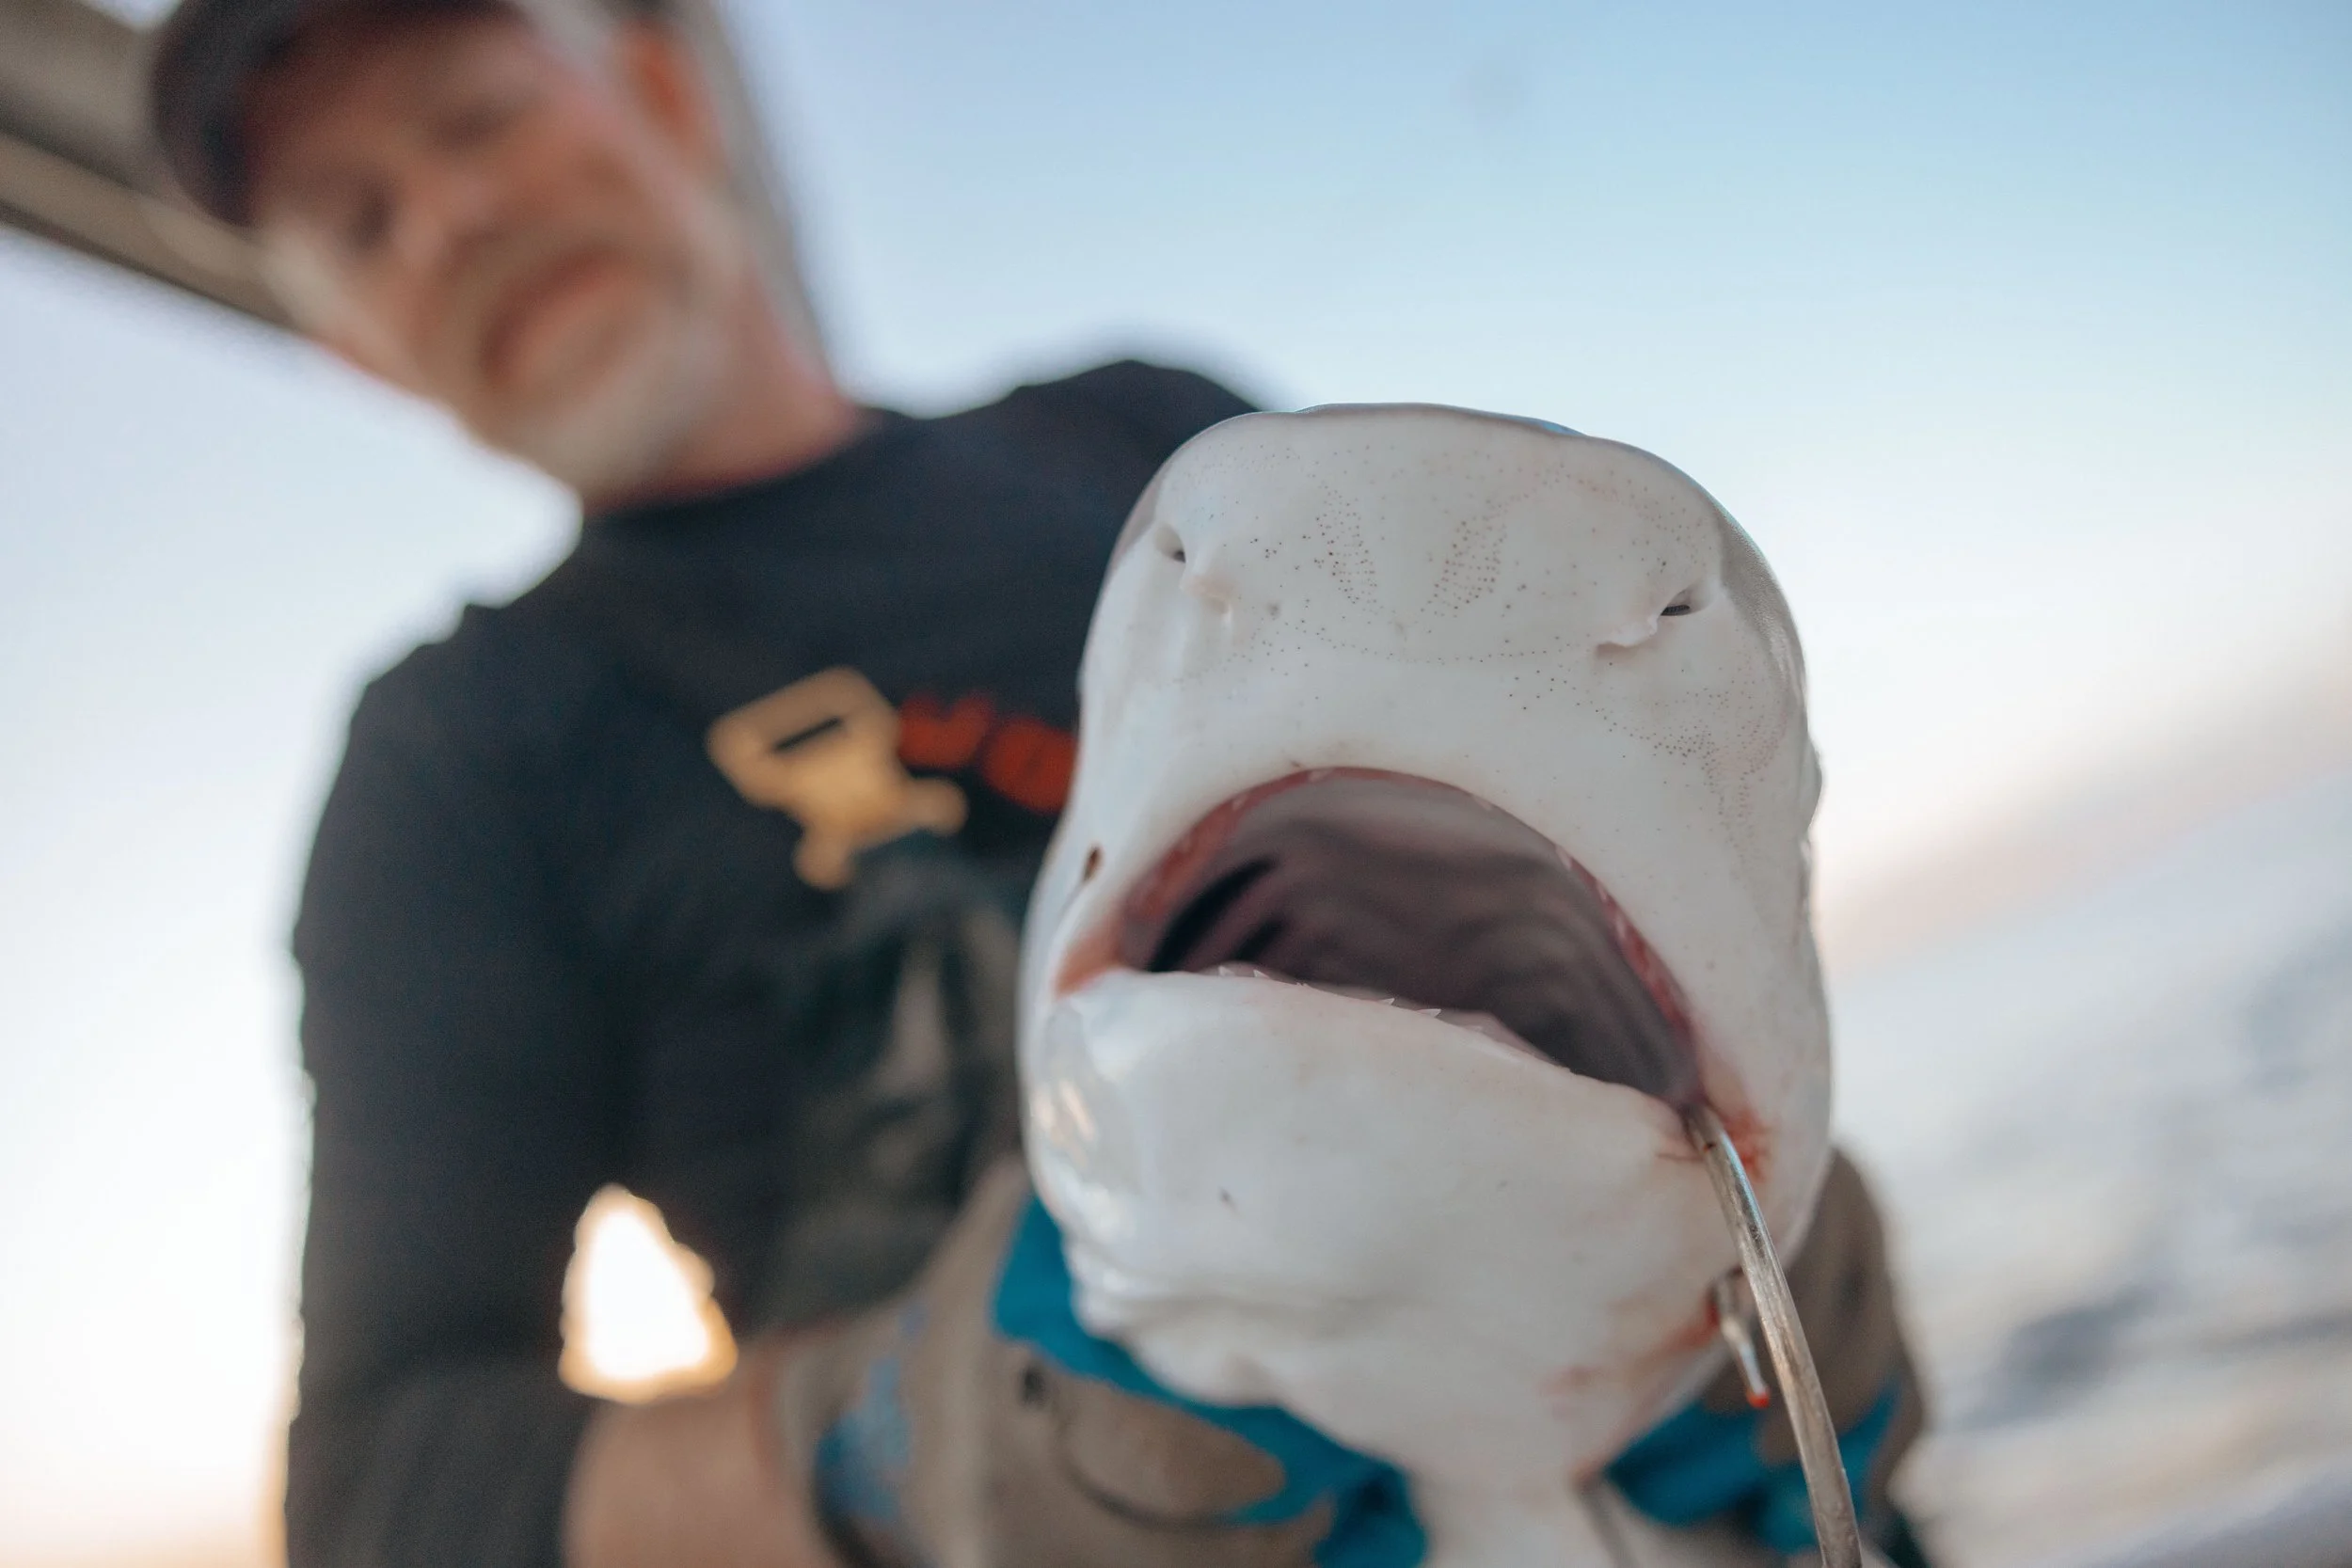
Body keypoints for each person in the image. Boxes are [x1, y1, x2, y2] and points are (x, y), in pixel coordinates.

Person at [146, 4, 1933, 1565]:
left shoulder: (1153, 446)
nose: (452, 217)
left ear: (662, 96)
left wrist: (1793, 1203)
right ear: (351, 345)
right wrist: (870, 1445)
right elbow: (379, 1496)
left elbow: (1563, 827)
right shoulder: (464, 759)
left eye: (476, 115)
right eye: (359, 219)